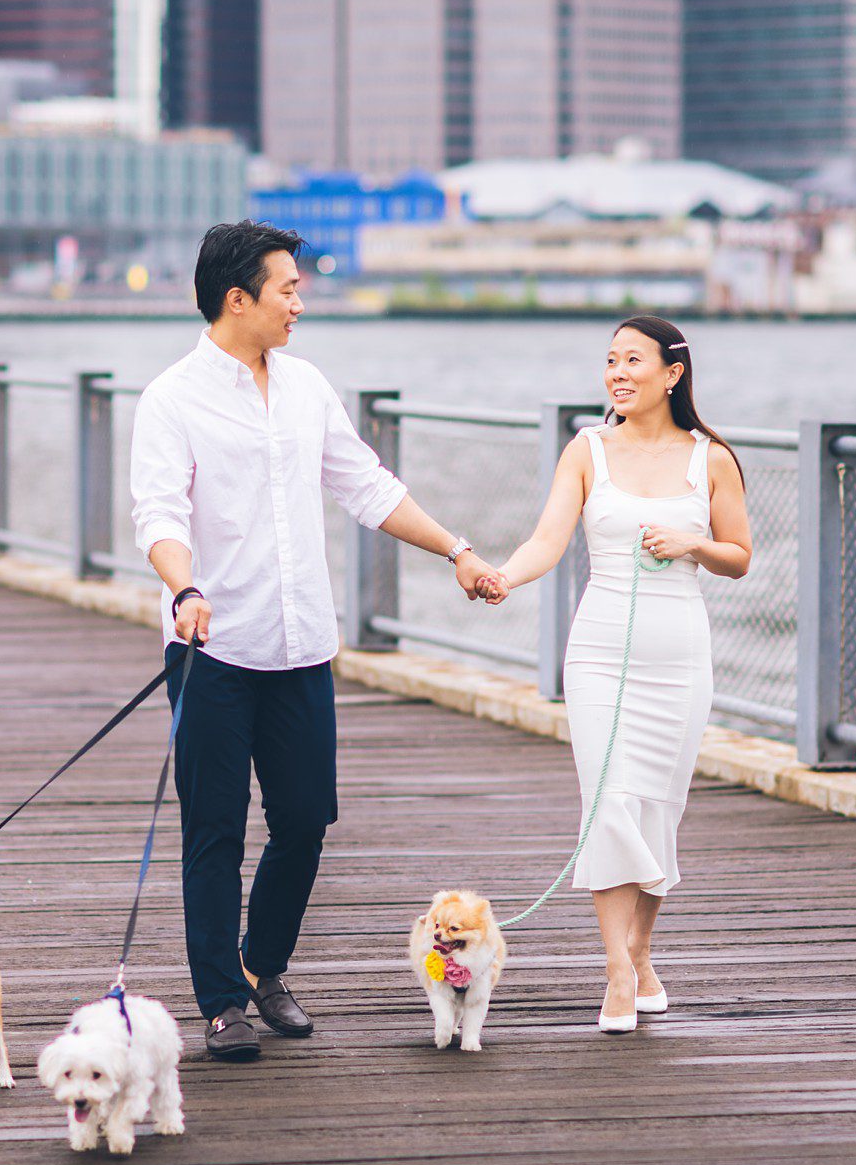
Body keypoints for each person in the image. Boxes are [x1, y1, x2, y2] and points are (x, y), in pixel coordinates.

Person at [130, 221, 503, 1060]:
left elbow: (365, 484)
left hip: (301, 650)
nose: (302, 301)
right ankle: (222, 1002)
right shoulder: (172, 399)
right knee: (215, 833)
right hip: (213, 649)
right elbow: (159, 513)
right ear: (239, 298)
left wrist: (458, 550)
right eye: (289, 288)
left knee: (304, 821)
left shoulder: (305, 387)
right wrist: (183, 587)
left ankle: (264, 968)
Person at [480, 316, 752, 1033]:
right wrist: (503, 577)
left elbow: (740, 555)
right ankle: (615, 977)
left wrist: (694, 541)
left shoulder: (711, 459)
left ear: (673, 373)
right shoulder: (587, 450)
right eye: (609, 361)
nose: (617, 373)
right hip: (601, 653)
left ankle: (641, 949)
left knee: (660, 809)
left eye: (633, 360)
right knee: (609, 804)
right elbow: (547, 539)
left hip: (680, 655)